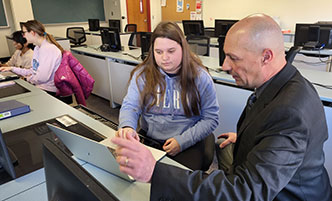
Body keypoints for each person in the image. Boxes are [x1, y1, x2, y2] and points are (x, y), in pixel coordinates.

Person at [112, 14, 332, 201]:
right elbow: (275, 129)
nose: (225, 66)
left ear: (266, 57)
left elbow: (245, 192)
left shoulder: (289, 113)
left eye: (233, 58)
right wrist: (252, 136)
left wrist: (155, 173)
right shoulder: (283, 84)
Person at [116, 21, 219, 170]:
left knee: (177, 186)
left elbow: (211, 118)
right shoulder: (142, 74)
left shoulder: (200, 77)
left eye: (171, 51)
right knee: (134, 177)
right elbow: (130, 106)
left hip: (187, 141)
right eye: (158, 52)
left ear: (183, 48)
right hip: (150, 138)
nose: (164, 58)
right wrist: (127, 127)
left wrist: (182, 141)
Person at [0, 20, 63, 95]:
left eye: (24, 33)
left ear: (32, 33)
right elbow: (33, 71)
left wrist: (27, 78)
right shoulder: (37, 48)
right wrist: (11, 68)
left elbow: (42, 78)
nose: (23, 36)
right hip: (39, 86)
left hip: (49, 90)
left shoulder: (48, 49)